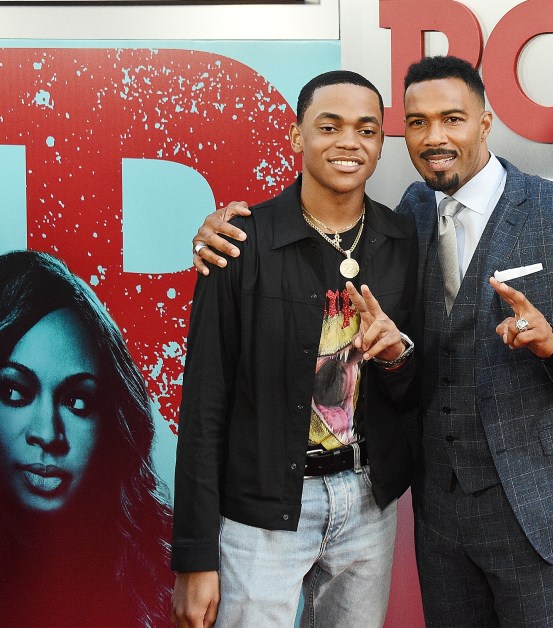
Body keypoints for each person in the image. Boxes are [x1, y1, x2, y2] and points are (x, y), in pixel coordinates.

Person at [191, 56, 553, 627]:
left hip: (537, 508)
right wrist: (217, 232)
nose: (434, 137)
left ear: (485, 123)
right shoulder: (409, 213)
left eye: (452, 119)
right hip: (439, 517)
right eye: (416, 122)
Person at [171, 70, 419, 628]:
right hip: (262, 506)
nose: (349, 142)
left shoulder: (402, 241)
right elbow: (204, 403)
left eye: (366, 129)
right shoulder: (239, 241)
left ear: (381, 143)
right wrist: (194, 555)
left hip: (367, 503)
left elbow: (412, 389)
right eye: (329, 126)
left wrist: (395, 357)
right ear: (296, 135)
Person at [0, 249, 173, 627]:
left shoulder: (162, 577)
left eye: (78, 401)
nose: (48, 434)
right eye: (15, 392)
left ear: (112, 419)